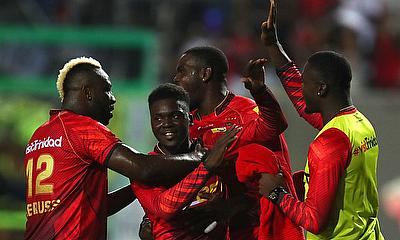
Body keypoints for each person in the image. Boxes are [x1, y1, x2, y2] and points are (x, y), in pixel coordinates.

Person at [24, 57, 214, 240]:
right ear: (88, 93)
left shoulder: (40, 135)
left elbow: (96, 207)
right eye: (107, 90)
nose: (113, 99)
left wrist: (138, 187)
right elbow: (143, 168)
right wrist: (198, 157)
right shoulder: (81, 128)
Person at [258, 1, 385, 239]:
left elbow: (313, 220)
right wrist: (274, 46)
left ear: (321, 89)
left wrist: (276, 194)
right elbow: (300, 99)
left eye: (306, 83)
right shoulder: (359, 123)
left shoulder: (328, 143)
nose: (301, 88)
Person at [174, 46, 298, 239]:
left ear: (205, 74)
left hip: (253, 231)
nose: (176, 79)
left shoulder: (245, 114)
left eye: (182, 71)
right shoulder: (185, 122)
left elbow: (273, 128)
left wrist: (261, 93)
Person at [132, 83, 239, 239]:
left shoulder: (215, 153)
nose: (166, 124)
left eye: (175, 116)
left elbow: (254, 195)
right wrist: (206, 167)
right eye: (158, 118)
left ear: (189, 118)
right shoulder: (142, 168)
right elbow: (165, 207)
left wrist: (228, 207)